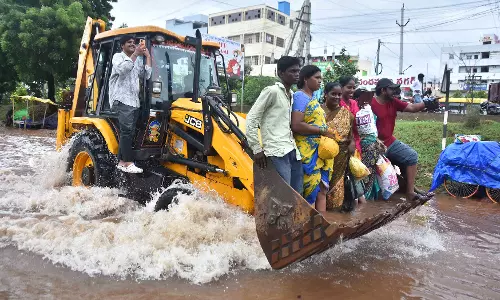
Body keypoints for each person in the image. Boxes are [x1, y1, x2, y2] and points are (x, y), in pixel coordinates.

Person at [371, 78, 437, 201]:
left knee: (411, 156)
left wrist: (427, 103)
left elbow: (412, 108)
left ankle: (410, 192)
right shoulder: (370, 103)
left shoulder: (393, 102)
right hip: (374, 145)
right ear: (383, 90)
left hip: (390, 141)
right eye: (392, 89)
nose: (395, 91)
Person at [246, 56, 303, 195]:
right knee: (282, 195)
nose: (297, 74)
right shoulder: (272, 91)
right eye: (292, 71)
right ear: (281, 73)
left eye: (298, 71)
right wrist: (256, 149)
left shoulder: (292, 95)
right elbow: (252, 118)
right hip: (276, 151)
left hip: (292, 151)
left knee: (296, 195)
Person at [291, 65, 336, 211]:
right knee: (309, 192)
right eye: (316, 78)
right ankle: (307, 228)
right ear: (305, 79)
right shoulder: (300, 97)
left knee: (322, 190)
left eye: (320, 78)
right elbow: (296, 125)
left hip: (320, 152)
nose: (320, 81)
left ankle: (321, 227)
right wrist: (322, 131)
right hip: (308, 152)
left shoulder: (313, 98)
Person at [109, 35, 152, 173]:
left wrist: (148, 56)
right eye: (129, 42)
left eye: (134, 43)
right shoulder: (118, 57)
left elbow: (146, 75)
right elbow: (123, 70)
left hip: (134, 101)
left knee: (129, 132)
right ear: (122, 45)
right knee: (127, 132)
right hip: (121, 99)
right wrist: (136, 54)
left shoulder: (138, 60)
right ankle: (128, 162)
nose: (133, 44)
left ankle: (121, 162)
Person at [323, 82, 357, 210]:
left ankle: (334, 213)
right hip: (323, 155)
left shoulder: (347, 114)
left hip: (342, 156)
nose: (337, 97)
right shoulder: (318, 112)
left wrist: (352, 144)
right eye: (333, 94)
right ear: (326, 94)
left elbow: (351, 136)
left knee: (338, 185)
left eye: (339, 94)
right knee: (321, 186)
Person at [355, 90, 387, 201]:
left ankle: (368, 200)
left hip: (370, 146)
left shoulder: (367, 110)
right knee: (366, 174)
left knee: (368, 175)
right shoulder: (359, 111)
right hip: (364, 147)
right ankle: (367, 200)